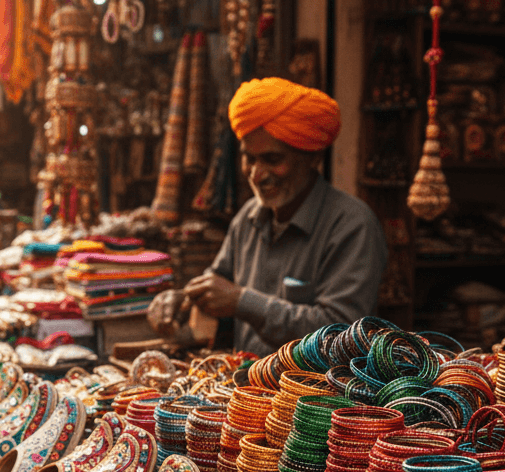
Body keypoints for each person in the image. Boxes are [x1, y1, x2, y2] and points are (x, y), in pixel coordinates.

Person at [148, 77, 388, 356]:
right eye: (249, 159)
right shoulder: (247, 219)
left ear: (313, 158)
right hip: (247, 380)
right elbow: (217, 286)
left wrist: (243, 302)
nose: (256, 174)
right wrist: (182, 300)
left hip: (317, 385)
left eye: (272, 160)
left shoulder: (353, 226)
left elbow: (340, 335)